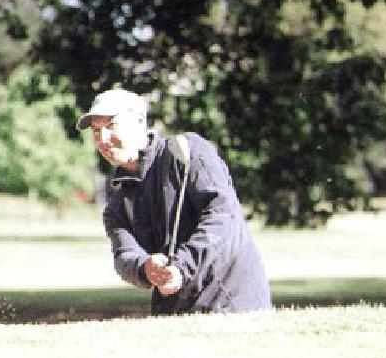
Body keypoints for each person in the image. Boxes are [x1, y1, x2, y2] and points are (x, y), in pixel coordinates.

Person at [77, 88, 272, 315]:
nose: (103, 139)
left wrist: (182, 266)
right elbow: (124, 255)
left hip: (234, 303)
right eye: (96, 131)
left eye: (111, 126)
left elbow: (221, 215)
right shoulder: (117, 201)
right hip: (175, 315)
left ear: (140, 122)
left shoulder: (188, 153)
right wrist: (146, 268)